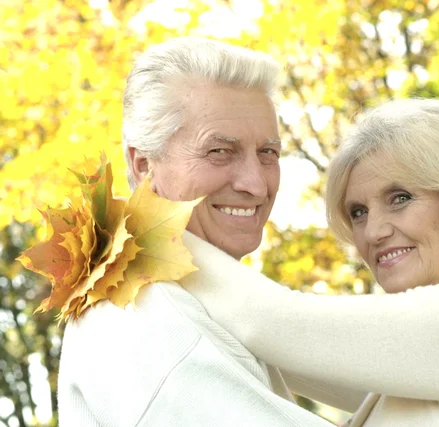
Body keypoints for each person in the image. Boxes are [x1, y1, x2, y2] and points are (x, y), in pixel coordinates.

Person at [181, 98, 439, 426]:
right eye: (358, 212)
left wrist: (149, 230)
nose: (373, 232)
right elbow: (276, 356)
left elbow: (269, 322)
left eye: (400, 198)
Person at [57, 37, 362, 426]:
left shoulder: (201, 299)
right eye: (219, 151)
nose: (256, 184)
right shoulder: (149, 318)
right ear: (143, 164)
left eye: (268, 152)